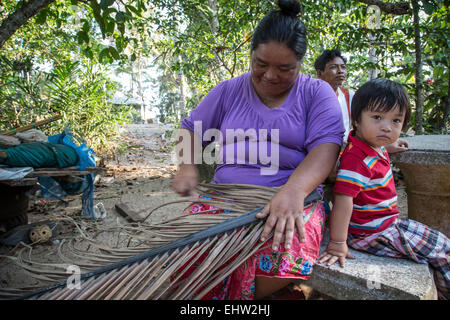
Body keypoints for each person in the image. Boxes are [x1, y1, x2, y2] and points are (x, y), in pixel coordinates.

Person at [171, 0, 345, 299]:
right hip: (226, 196)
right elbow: (189, 129)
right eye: (260, 64)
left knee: (279, 252)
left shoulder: (317, 92)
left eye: (285, 68)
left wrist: (293, 191)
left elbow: (326, 149)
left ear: (301, 64)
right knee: (188, 254)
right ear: (251, 54)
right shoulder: (228, 90)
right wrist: (187, 166)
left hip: (293, 196)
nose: (270, 76)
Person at [318, 79, 450, 300]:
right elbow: (343, 200)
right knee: (442, 251)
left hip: (384, 224)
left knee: (441, 245)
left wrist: (386, 147)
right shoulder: (358, 161)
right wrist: (338, 244)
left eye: (396, 120)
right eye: (377, 117)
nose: (387, 127)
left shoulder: (368, 146)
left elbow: (372, 148)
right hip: (372, 232)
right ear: (356, 120)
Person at [315, 49, 408, 153]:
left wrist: (383, 143)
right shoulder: (311, 97)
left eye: (343, 67)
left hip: (346, 153)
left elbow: (364, 127)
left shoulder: (349, 95)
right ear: (319, 73)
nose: (340, 71)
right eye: (333, 67)